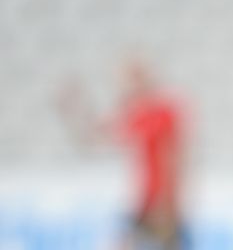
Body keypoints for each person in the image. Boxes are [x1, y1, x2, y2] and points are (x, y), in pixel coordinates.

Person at [59, 56, 186, 250]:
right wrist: (76, 108)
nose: (128, 87)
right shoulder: (140, 113)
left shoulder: (161, 112)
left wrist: (168, 204)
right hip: (146, 203)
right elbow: (95, 138)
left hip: (160, 205)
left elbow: (173, 159)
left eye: (133, 79)